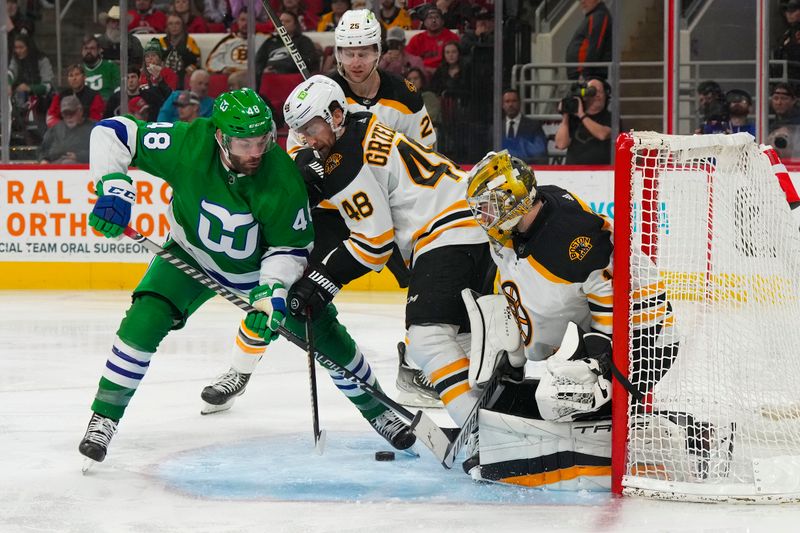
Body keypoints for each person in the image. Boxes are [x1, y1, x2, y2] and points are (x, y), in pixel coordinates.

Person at [77, 87, 416, 467]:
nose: (255, 152)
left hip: (256, 272)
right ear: (220, 137)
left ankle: (379, 410)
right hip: (189, 255)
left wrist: (270, 293)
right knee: (144, 320)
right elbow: (113, 132)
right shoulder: (188, 142)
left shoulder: (282, 178)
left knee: (324, 336)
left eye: (262, 141)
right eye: (243, 144)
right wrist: (114, 188)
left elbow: (289, 249)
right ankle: (103, 418)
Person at [204, 9, 442, 411]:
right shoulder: (321, 90)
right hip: (333, 211)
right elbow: (296, 150)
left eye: (364, 51)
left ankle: (417, 367)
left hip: (392, 213)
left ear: (378, 51)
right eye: (347, 52)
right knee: (288, 285)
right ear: (337, 53)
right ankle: (239, 370)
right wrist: (312, 163)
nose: (355, 60)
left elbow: (425, 151)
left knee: (432, 281)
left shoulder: (405, 95)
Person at [281, 75, 495, 431]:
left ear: (336, 114)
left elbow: (375, 243)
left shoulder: (344, 160)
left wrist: (322, 281)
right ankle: (499, 420)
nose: (307, 139)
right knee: (467, 341)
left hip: (446, 234)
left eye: (312, 127)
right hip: (479, 228)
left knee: (427, 339)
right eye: (300, 131)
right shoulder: (363, 123)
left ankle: (481, 434)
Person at [460, 150, 681, 486]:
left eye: (489, 205)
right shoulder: (526, 224)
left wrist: (598, 360)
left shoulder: (570, 241)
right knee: (501, 331)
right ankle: (599, 419)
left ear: (512, 200)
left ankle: (644, 434)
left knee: (560, 393)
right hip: (603, 327)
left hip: (644, 338)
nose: (483, 215)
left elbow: (611, 301)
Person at [554, 77, 612, 165]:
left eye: (600, 92)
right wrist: (566, 115)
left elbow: (603, 134)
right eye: (593, 91)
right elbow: (561, 144)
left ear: (606, 96)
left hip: (602, 173)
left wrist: (581, 115)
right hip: (574, 173)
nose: (597, 95)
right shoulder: (574, 118)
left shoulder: (610, 117)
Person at [9, 33, 54, 144]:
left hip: (41, 104)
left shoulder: (42, 60)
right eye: (16, 48)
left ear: (29, 47)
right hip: (20, 103)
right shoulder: (16, 59)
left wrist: (29, 88)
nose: (18, 51)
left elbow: (48, 86)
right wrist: (7, 84)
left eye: (21, 47)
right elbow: (10, 73)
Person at [254, 11, 319, 86]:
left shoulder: (303, 41)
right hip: (268, 76)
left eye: (287, 21)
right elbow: (259, 60)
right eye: (280, 21)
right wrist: (262, 71)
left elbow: (309, 61)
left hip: (291, 77)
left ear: (295, 25)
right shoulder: (270, 41)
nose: (282, 24)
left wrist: (280, 67)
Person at [564, 0, 612, 81]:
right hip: (584, 76)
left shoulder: (599, 16)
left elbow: (595, 46)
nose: (582, 1)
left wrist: (585, 74)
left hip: (588, 78)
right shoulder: (594, 16)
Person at [46, 64, 105, 128]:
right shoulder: (60, 96)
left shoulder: (94, 96)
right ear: (68, 79)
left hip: (86, 133)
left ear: (84, 77)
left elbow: (96, 121)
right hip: (64, 133)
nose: (74, 78)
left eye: (77, 74)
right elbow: (51, 118)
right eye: (71, 76)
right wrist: (63, 128)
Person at [404, 6, 459, 74]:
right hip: (421, 75)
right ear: (424, 23)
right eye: (430, 18)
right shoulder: (416, 39)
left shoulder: (452, 37)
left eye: (437, 17)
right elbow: (407, 60)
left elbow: (459, 59)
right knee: (408, 81)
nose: (433, 21)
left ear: (442, 22)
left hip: (445, 75)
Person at [39, 96, 94, 163]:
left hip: (83, 168)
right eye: (65, 113)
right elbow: (42, 150)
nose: (68, 117)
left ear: (80, 111)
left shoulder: (94, 128)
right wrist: (43, 159)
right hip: (54, 167)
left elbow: (102, 152)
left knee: (68, 162)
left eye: (71, 113)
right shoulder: (55, 129)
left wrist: (78, 156)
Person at [501, 88, 547, 165]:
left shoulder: (534, 126)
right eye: (507, 101)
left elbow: (541, 155)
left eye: (514, 101)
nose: (510, 105)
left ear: (519, 103)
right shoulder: (495, 128)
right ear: (502, 105)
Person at [159, 14, 201, 89]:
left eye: (177, 23)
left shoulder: (189, 41)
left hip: (184, 78)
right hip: (164, 77)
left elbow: (197, 61)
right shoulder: (161, 42)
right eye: (170, 24)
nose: (174, 26)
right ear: (167, 26)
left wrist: (191, 69)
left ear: (183, 26)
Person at [204, 8, 250, 75]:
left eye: (249, 20)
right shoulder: (227, 41)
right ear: (237, 21)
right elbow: (211, 62)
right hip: (231, 77)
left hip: (254, 77)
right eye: (242, 20)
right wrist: (223, 68)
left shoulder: (262, 40)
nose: (246, 23)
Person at [81, 35, 121, 102]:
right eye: (86, 48)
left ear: (99, 50)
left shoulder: (111, 67)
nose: (88, 51)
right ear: (81, 51)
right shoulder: (79, 70)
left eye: (92, 48)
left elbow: (119, 90)